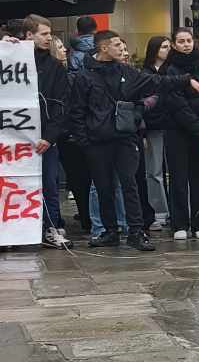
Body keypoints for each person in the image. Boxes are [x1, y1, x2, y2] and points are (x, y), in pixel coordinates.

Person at [71, 29, 165, 250]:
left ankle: (136, 231)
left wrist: (185, 81)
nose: (122, 48)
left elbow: (152, 86)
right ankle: (110, 231)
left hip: (124, 137)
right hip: (97, 141)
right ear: (104, 48)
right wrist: (85, 141)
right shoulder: (85, 76)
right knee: (104, 188)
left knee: (129, 184)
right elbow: (77, 110)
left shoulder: (126, 71)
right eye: (117, 45)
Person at [25, 15, 73, 247]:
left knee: (50, 185)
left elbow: (62, 105)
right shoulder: (12, 59)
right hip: (16, 138)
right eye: (43, 34)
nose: (49, 38)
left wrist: (50, 137)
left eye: (49, 33)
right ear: (29, 35)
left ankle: (50, 228)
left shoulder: (55, 67)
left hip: (45, 137)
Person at [161, 27, 199, 240]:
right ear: (174, 44)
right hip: (177, 131)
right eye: (181, 41)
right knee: (178, 179)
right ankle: (179, 224)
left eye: (189, 40)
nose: (186, 45)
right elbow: (176, 104)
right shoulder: (169, 69)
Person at [139, 35, 173, 233]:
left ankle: (174, 210)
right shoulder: (145, 73)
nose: (167, 50)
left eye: (168, 46)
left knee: (174, 171)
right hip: (153, 126)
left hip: (173, 125)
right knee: (154, 171)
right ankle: (159, 210)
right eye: (163, 47)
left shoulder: (172, 70)